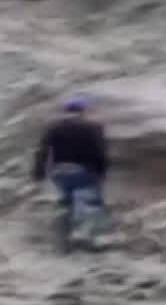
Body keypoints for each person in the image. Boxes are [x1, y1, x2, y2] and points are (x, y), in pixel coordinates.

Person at [31, 95, 110, 229]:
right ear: (83, 110)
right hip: (84, 172)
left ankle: (64, 233)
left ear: (66, 110)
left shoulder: (53, 128)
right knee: (92, 204)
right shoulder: (93, 127)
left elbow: (42, 151)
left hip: (59, 173)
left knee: (68, 202)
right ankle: (89, 237)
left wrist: (39, 172)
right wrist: (102, 172)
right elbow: (100, 151)